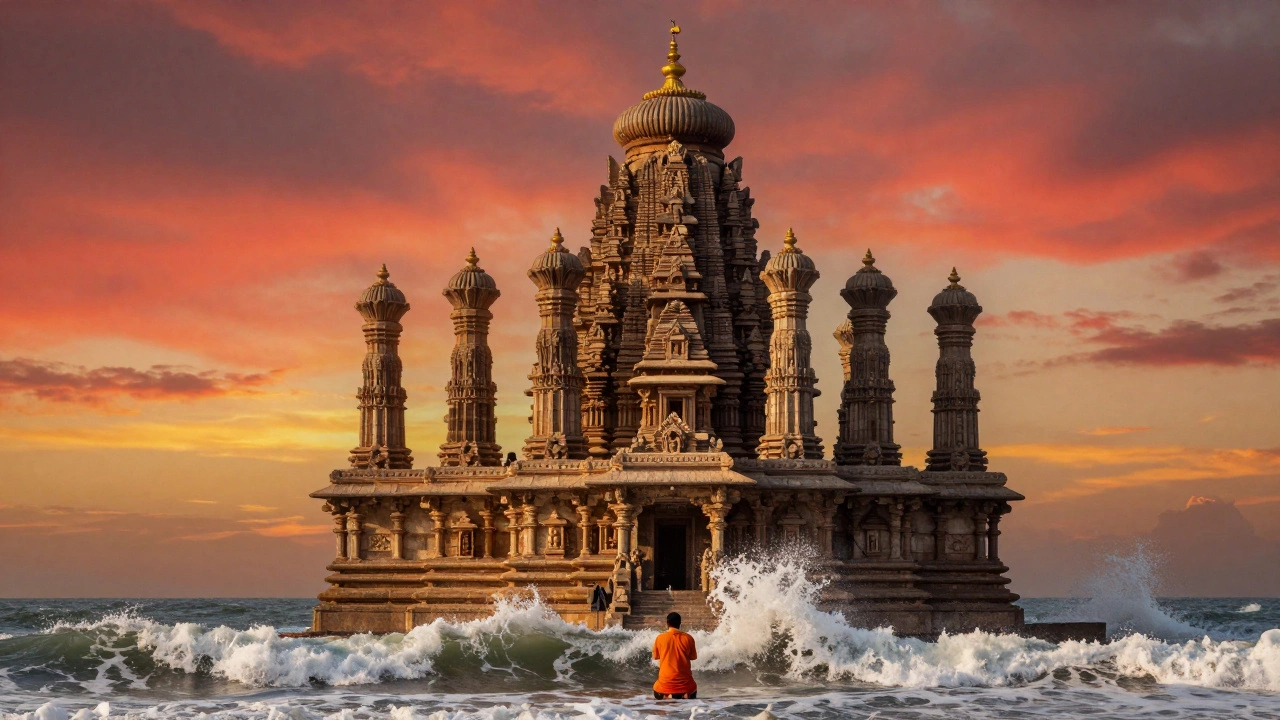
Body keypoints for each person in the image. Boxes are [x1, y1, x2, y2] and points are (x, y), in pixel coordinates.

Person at [652, 611, 697, 699]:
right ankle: (683, 695)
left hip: (663, 687)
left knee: (657, 687)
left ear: (667, 623)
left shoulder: (660, 638)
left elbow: (656, 656)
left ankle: (667, 695)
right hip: (686, 687)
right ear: (680, 623)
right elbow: (693, 657)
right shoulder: (688, 638)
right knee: (692, 688)